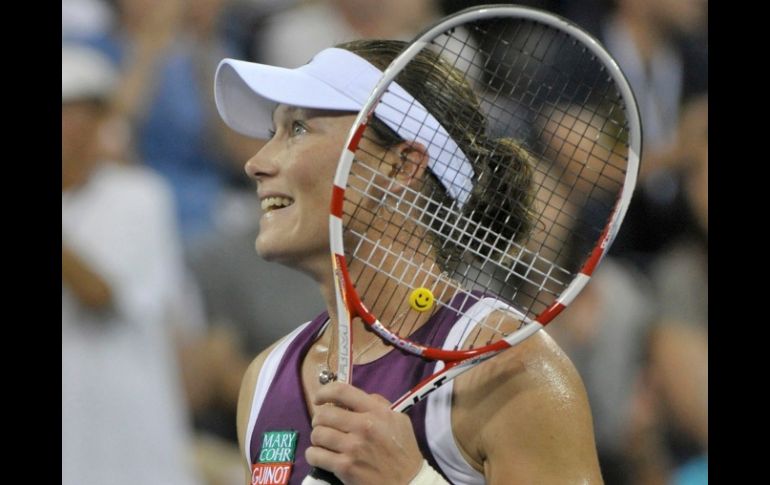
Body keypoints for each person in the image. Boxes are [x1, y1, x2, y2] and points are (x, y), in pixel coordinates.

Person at [214, 39, 604, 484]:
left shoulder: (508, 367)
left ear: (401, 167)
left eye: (299, 129)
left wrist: (411, 479)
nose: (256, 163)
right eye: (272, 133)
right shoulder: (264, 380)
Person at [62, 43, 203, 485]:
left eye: (76, 112)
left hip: (133, 441)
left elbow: (100, 295)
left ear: (100, 121)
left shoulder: (140, 197)